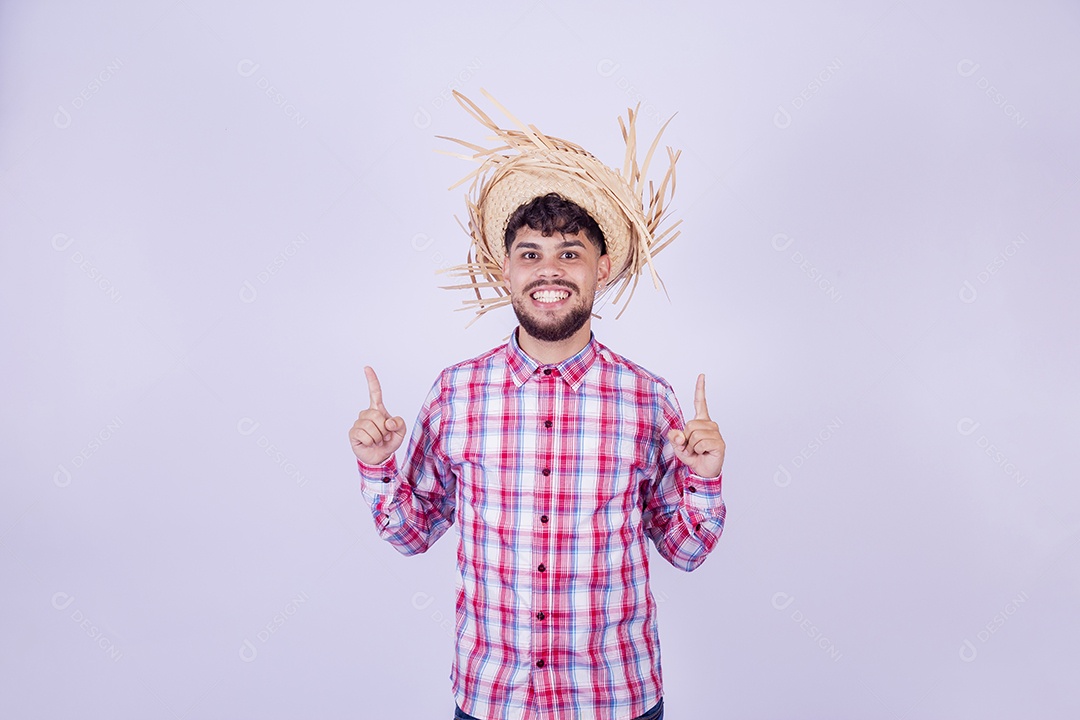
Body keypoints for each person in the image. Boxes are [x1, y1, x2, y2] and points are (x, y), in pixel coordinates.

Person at [349, 93, 727, 720]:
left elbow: (685, 550)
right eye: (530, 254)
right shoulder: (456, 393)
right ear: (504, 270)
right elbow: (411, 534)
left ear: (601, 268)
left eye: (570, 253)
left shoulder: (647, 398)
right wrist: (378, 466)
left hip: (616, 699)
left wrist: (705, 478)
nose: (548, 271)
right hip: (493, 699)